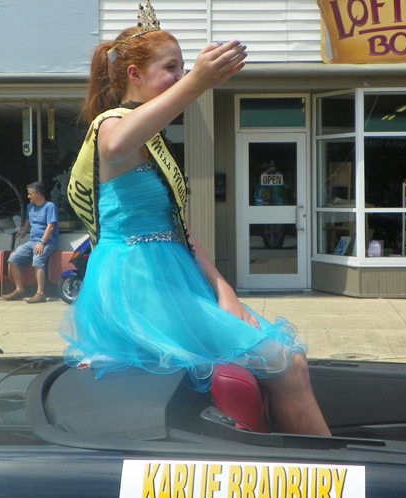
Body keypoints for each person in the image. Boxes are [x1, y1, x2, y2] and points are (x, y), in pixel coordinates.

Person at [60, 0, 330, 436]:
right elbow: (113, 148)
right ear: (135, 75)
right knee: (282, 362)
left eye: (184, 68)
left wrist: (225, 290)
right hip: (136, 285)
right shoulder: (111, 124)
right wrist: (200, 83)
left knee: (291, 359)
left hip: (171, 276)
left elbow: (179, 229)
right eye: (172, 67)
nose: (181, 76)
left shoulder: (155, 136)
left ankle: (319, 466)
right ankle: (328, 474)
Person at [2, 182, 59, 304]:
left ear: (38, 195)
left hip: (47, 241)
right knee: (13, 259)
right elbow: (28, 220)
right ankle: (20, 290)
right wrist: (24, 230)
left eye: (30, 194)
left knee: (38, 258)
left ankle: (40, 293)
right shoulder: (30, 207)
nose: (28, 196)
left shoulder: (50, 206)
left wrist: (42, 242)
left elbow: (51, 227)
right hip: (32, 241)